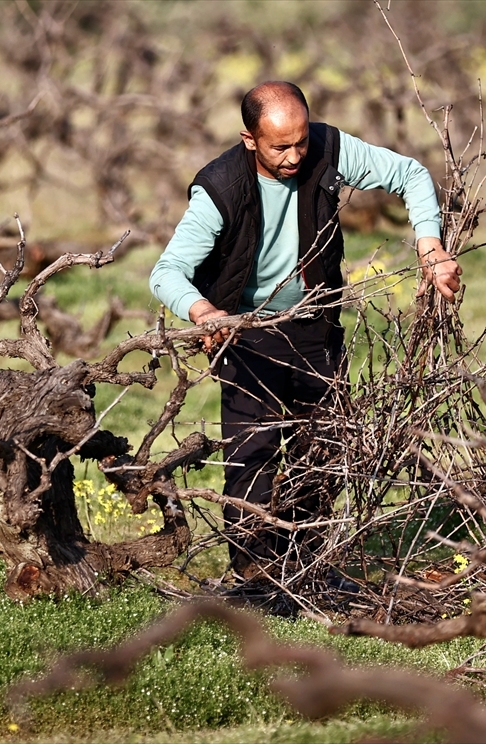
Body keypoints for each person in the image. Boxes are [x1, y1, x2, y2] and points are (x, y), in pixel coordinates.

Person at [150, 81, 461, 577]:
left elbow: (411, 174)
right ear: (250, 139)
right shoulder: (219, 188)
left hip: (316, 320)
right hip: (243, 332)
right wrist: (204, 312)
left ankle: (308, 568)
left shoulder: (327, 147)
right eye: (280, 146)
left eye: (300, 141)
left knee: (323, 449)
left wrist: (430, 247)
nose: (296, 155)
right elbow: (166, 273)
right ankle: (253, 573)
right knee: (252, 453)